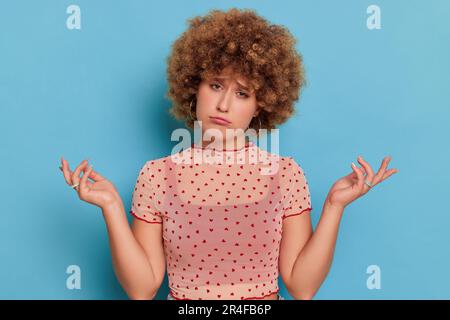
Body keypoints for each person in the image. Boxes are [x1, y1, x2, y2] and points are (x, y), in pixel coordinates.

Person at [59, 8, 398, 300]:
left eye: (242, 93)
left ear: (260, 105)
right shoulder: (157, 175)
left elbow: (301, 286)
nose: (223, 104)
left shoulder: (286, 174)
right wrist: (112, 208)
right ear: (194, 87)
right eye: (216, 85)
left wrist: (334, 206)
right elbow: (142, 289)